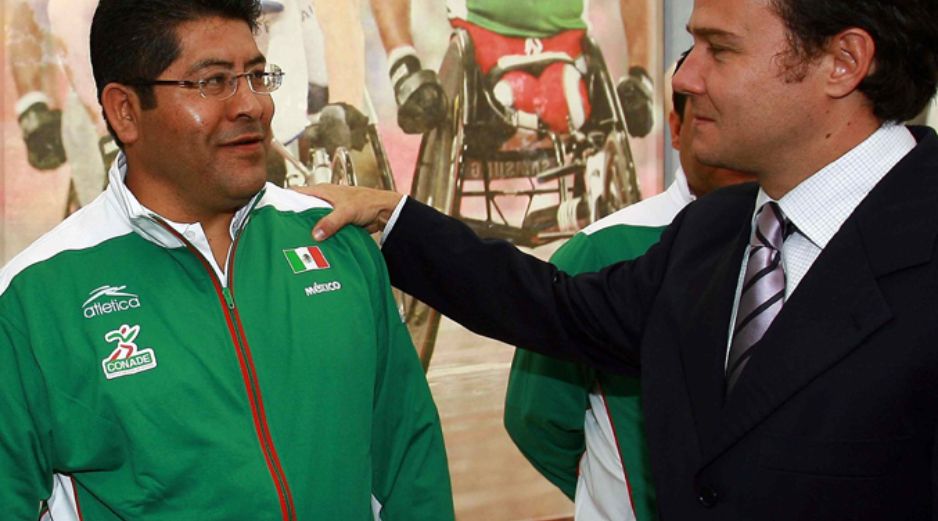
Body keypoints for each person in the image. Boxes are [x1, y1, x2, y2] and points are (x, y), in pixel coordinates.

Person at [306, 0, 938, 518]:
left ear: (842, 62)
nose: (686, 78)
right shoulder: (715, 232)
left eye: (720, 49)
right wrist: (393, 219)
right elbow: (554, 306)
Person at [0, 1, 454, 519]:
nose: (253, 105)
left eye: (258, 76)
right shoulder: (32, 300)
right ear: (125, 110)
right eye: (214, 83)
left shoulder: (337, 242)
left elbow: (410, 469)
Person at [503, 52, 755, 521]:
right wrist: (614, 493)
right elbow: (537, 418)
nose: (731, 140)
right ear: (676, 128)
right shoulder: (601, 250)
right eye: (708, 118)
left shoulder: (798, 237)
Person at [369, 0, 656, 136]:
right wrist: (403, 62)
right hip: (482, 43)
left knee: (564, 95)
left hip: (566, 46)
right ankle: (403, 67)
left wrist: (639, 74)